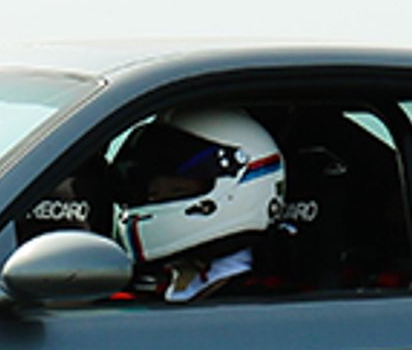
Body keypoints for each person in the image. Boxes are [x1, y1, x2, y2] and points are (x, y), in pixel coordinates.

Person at [110, 107, 288, 302]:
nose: (156, 185)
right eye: (153, 177)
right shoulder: (147, 290)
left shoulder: (264, 305)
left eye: (177, 178)